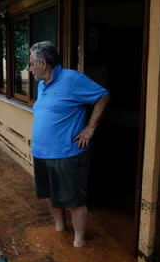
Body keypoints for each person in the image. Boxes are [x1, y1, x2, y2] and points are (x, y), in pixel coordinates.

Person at [29, 41, 110, 247]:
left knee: (74, 201)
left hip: (67, 153)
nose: (29, 69)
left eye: (31, 64)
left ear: (43, 63)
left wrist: (90, 128)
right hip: (42, 154)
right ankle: (60, 229)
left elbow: (103, 96)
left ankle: (79, 243)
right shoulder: (41, 85)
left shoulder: (73, 79)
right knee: (49, 194)